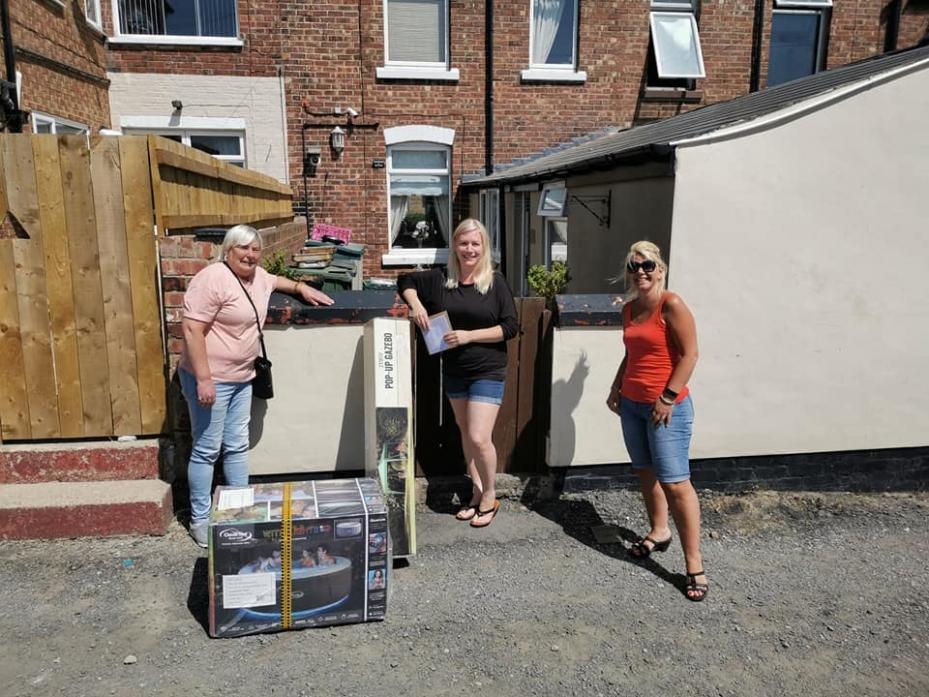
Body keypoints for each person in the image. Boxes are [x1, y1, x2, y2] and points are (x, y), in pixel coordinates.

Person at [180, 224, 334, 547]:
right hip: (212, 379)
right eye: (243, 249)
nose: (250, 255)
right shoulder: (212, 279)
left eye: (255, 249)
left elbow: (277, 281)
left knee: (236, 446)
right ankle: (201, 519)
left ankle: (239, 512)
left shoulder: (258, 277)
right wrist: (204, 379)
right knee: (207, 450)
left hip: (242, 377)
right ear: (228, 250)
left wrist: (301, 288)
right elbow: (192, 330)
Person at [398, 218, 518, 528]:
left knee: (479, 436)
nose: (469, 249)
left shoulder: (496, 282)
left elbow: (510, 327)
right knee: (466, 433)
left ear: (484, 247)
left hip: (487, 369)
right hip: (454, 370)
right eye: (463, 243)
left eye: (475, 243)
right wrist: (417, 305)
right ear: (455, 245)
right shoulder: (442, 279)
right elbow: (406, 280)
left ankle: (491, 495)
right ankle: (476, 494)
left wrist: (468, 335)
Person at [605, 241, 707, 601]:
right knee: (645, 471)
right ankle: (659, 531)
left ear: (660, 269)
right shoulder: (630, 309)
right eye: (634, 267)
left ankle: (694, 564)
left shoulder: (672, 304)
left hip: (667, 408)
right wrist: (617, 386)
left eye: (648, 265)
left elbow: (690, 354)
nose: (641, 272)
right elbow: (631, 352)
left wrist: (667, 397)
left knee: (676, 483)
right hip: (632, 404)